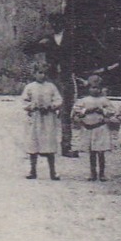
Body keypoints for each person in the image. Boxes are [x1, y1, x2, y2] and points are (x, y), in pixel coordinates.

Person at [27, 14, 80, 156]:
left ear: (64, 24)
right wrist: (39, 44)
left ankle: (66, 146)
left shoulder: (72, 38)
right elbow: (28, 49)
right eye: (53, 23)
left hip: (67, 77)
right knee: (46, 110)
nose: (55, 25)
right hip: (51, 79)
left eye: (58, 23)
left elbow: (80, 57)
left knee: (66, 113)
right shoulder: (47, 39)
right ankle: (45, 146)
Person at [20, 60, 63, 180]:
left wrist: (52, 106)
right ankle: (33, 170)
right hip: (35, 118)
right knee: (33, 143)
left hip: (48, 118)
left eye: (44, 73)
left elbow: (58, 99)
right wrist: (32, 106)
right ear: (34, 74)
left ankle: (53, 172)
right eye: (39, 73)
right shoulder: (30, 87)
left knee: (49, 143)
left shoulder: (51, 87)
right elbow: (24, 101)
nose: (42, 75)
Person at [71, 75, 119, 182]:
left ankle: (102, 173)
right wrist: (86, 111)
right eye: (92, 87)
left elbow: (112, 111)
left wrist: (102, 111)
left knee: (100, 152)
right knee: (92, 152)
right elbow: (76, 111)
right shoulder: (84, 100)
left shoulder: (104, 100)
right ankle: (93, 173)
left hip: (100, 128)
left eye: (97, 88)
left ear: (101, 89)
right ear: (88, 88)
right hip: (89, 128)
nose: (95, 90)